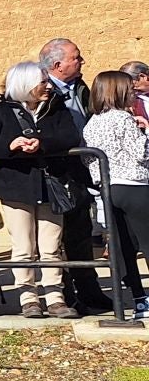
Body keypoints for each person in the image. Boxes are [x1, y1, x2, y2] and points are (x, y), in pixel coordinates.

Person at [0, 61, 81, 319]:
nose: (48, 86)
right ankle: (28, 298)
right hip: (14, 186)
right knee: (23, 246)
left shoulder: (56, 108)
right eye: (43, 82)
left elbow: (70, 137)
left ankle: (55, 298)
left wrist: (41, 144)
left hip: (49, 185)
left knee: (51, 245)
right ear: (26, 84)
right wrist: (10, 145)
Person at [38, 38, 104, 313]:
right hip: (53, 174)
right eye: (76, 57)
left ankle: (90, 291)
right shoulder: (41, 91)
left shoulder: (80, 87)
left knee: (81, 233)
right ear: (57, 65)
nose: (82, 61)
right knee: (55, 238)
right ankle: (63, 295)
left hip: (79, 170)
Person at [81, 71, 149, 318]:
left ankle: (139, 299)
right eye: (131, 90)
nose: (135, 93)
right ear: (118, 91)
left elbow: (88, 158)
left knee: (124, 247)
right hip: (136, 186)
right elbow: (142, 153)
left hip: (109, 188)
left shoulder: (93, 122)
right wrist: (147, 130)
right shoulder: (123, 118)